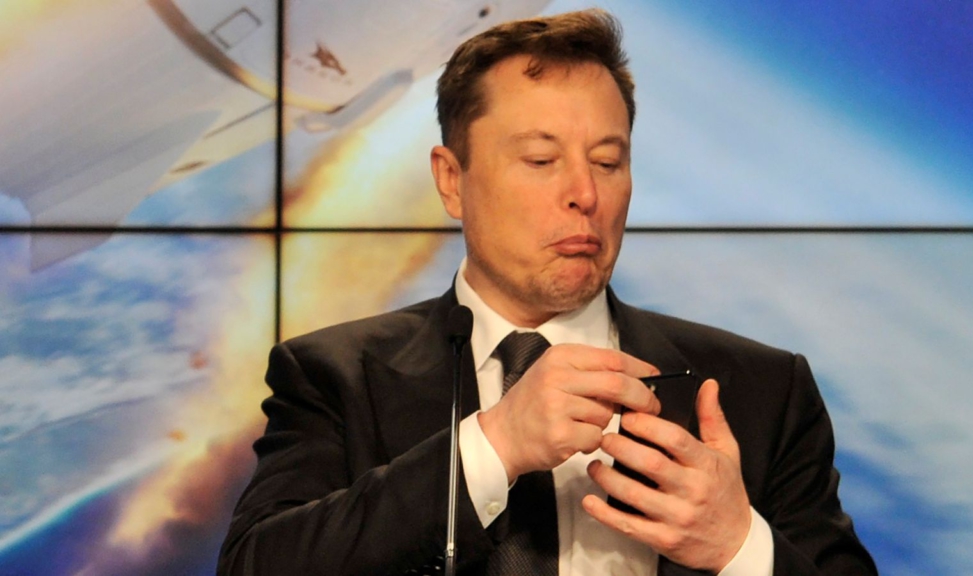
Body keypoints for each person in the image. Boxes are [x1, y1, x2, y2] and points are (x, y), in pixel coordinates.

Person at [218, 9, 876, 576]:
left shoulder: (763, 390)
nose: (585, 194)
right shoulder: (333, 376)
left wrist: (737, 544)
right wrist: (493, 447)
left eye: (608, 162)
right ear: (451, 181)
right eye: (541, 160)